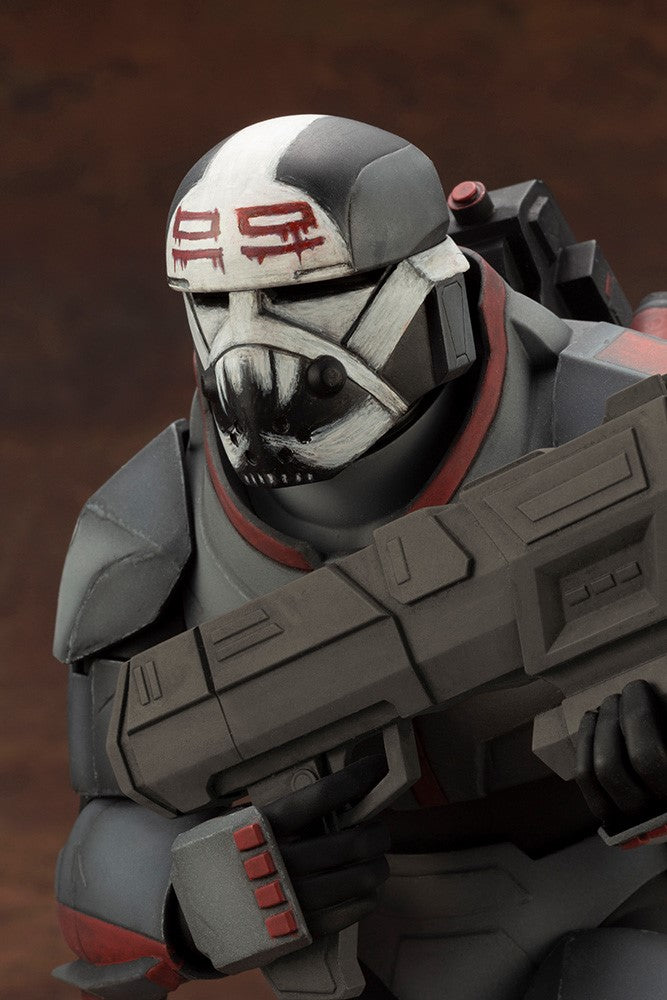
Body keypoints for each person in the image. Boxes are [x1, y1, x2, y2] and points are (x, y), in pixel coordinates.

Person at [53, 115, 667, 1000]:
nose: (250, 353)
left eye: (308, 293)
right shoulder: (150, 533)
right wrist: (209, 903)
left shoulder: (608, 413)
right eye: (218, 302)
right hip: (366, 943)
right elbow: (103, 850)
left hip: (626, 894)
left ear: (428, 281)